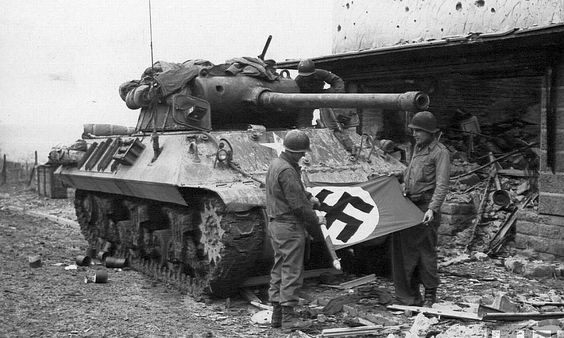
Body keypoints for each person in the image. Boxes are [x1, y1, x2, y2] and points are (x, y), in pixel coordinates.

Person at [265, 129, 325, 330]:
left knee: (280, 267)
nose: (303, 156)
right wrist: (316, 220)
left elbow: (291, 191)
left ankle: (277, 316)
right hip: (289, 226)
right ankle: (289, 320)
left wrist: (308, 196)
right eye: (301, 152)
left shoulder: (276, 164)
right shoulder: (289, 170)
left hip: (276, 224)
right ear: (293, 151)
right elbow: (297, 205)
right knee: (292, 270)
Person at [391, 111, 450, 307]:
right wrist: (398, 178)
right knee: (408, 253)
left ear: (430, 133)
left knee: (426, 253)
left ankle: (431, 295)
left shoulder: (440, 152)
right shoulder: (417, 147)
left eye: (419, 131)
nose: (415, 134)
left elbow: (442, 184)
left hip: (426, 208)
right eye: (414, 130)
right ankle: (411, 294)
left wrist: (432, 209)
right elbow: (411, 172)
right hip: (411, 206)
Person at [294, 59, 345, 128]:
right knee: (303, 117)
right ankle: (305, 128)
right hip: (306, 99)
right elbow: (295, 94)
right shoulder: (298, 80)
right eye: (304, 76)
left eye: (308, 76)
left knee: (330, 111)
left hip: (321, 96)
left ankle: (333, 125)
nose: (306, 78)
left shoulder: (320, 73)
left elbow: (337, 81)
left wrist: (335, 95)